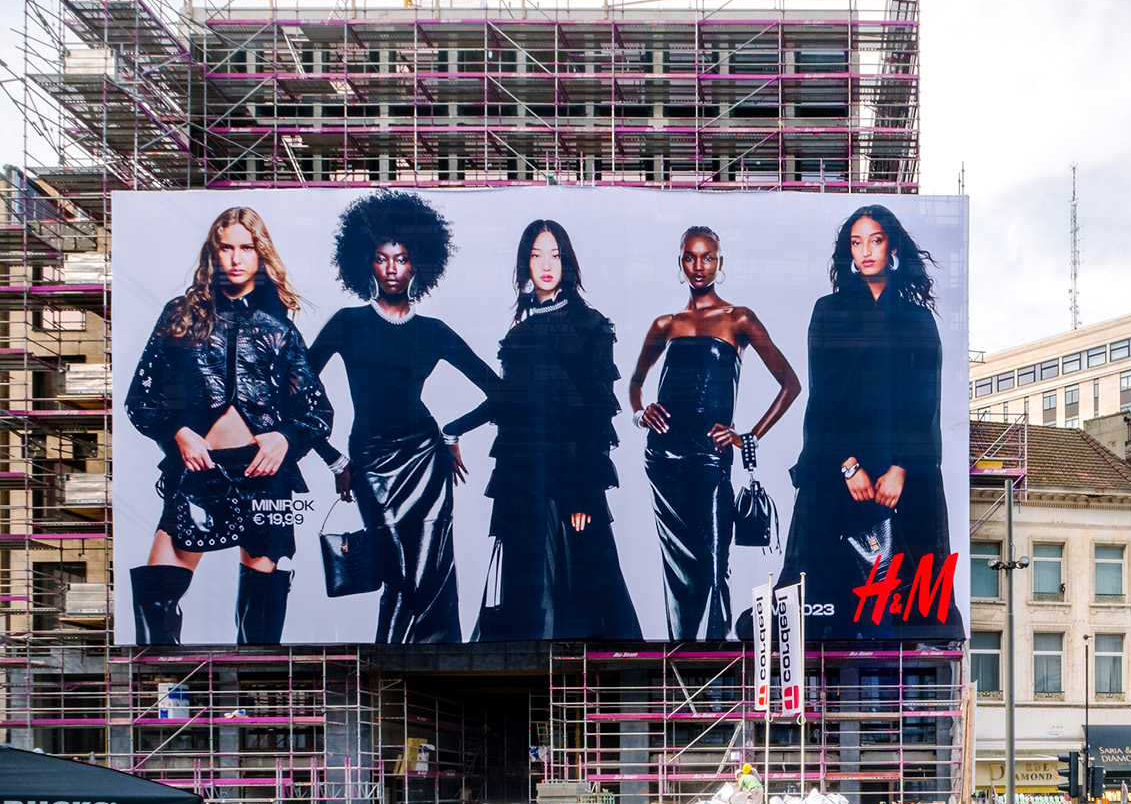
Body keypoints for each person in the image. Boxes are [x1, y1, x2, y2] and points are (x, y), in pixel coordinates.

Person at [124, 207, 334, 645]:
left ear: (260, 255)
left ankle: (251, 709)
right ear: (212, 253)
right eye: (226, 247)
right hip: (201, 470)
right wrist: (178, 433)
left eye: (247, 248)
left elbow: (317, 412)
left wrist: (285, 437)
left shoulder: (278, 327)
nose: (236, 258)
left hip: (263, 476)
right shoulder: (180, 315)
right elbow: (140, 399)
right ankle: (162, 700)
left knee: (260, 618)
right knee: (158, 593)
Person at [309, 190, 500, 644]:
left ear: (418, 265)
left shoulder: (432, 331)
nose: (392, 268)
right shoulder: (346, 322)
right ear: (366, 263)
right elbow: (294, 391)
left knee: (430, 574)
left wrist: (451, 432)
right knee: (397, 575)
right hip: (372, 461)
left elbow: (501, 392)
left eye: (402, 259)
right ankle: (387, 671)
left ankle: (432, 666)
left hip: (426, 460)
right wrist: (333, 459)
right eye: (381, 258)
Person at [450, 219, 640, 641]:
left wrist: (583, 494)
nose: (546, 264)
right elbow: (506, 403)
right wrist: (453, 430)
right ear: (525, 265)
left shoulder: (591, 326)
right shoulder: (517, 335)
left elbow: (595, 415)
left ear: (567, 262)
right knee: (525, 597)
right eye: (537, 255)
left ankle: (592, 700)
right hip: (522, 484)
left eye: (554, 254)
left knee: (579, 602)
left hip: (570, 486)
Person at [778, 205, 959, 639]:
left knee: (909, 606)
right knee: (827, 599)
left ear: (891, 245)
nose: (866, 252)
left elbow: (925, 400)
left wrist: (900, 467)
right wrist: (848, 465)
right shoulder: (829, 311)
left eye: (875, 240)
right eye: (856, 243)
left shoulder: (917, 319)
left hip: (904, 472)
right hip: (839, 465)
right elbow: (821, 395)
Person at [630, 227, 801, 640]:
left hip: (710, 458)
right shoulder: (665, 324)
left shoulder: (738, 318)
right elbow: (635, 383)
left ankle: (711, 667)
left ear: (720, 262)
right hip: (663, 458)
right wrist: (641, 414)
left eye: (708, 258)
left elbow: (791, 384)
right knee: (677, 571)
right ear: (681, 262)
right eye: (690, 257)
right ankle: (680, 662)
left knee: (712, 565)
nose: (699, 266)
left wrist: (748, 436)